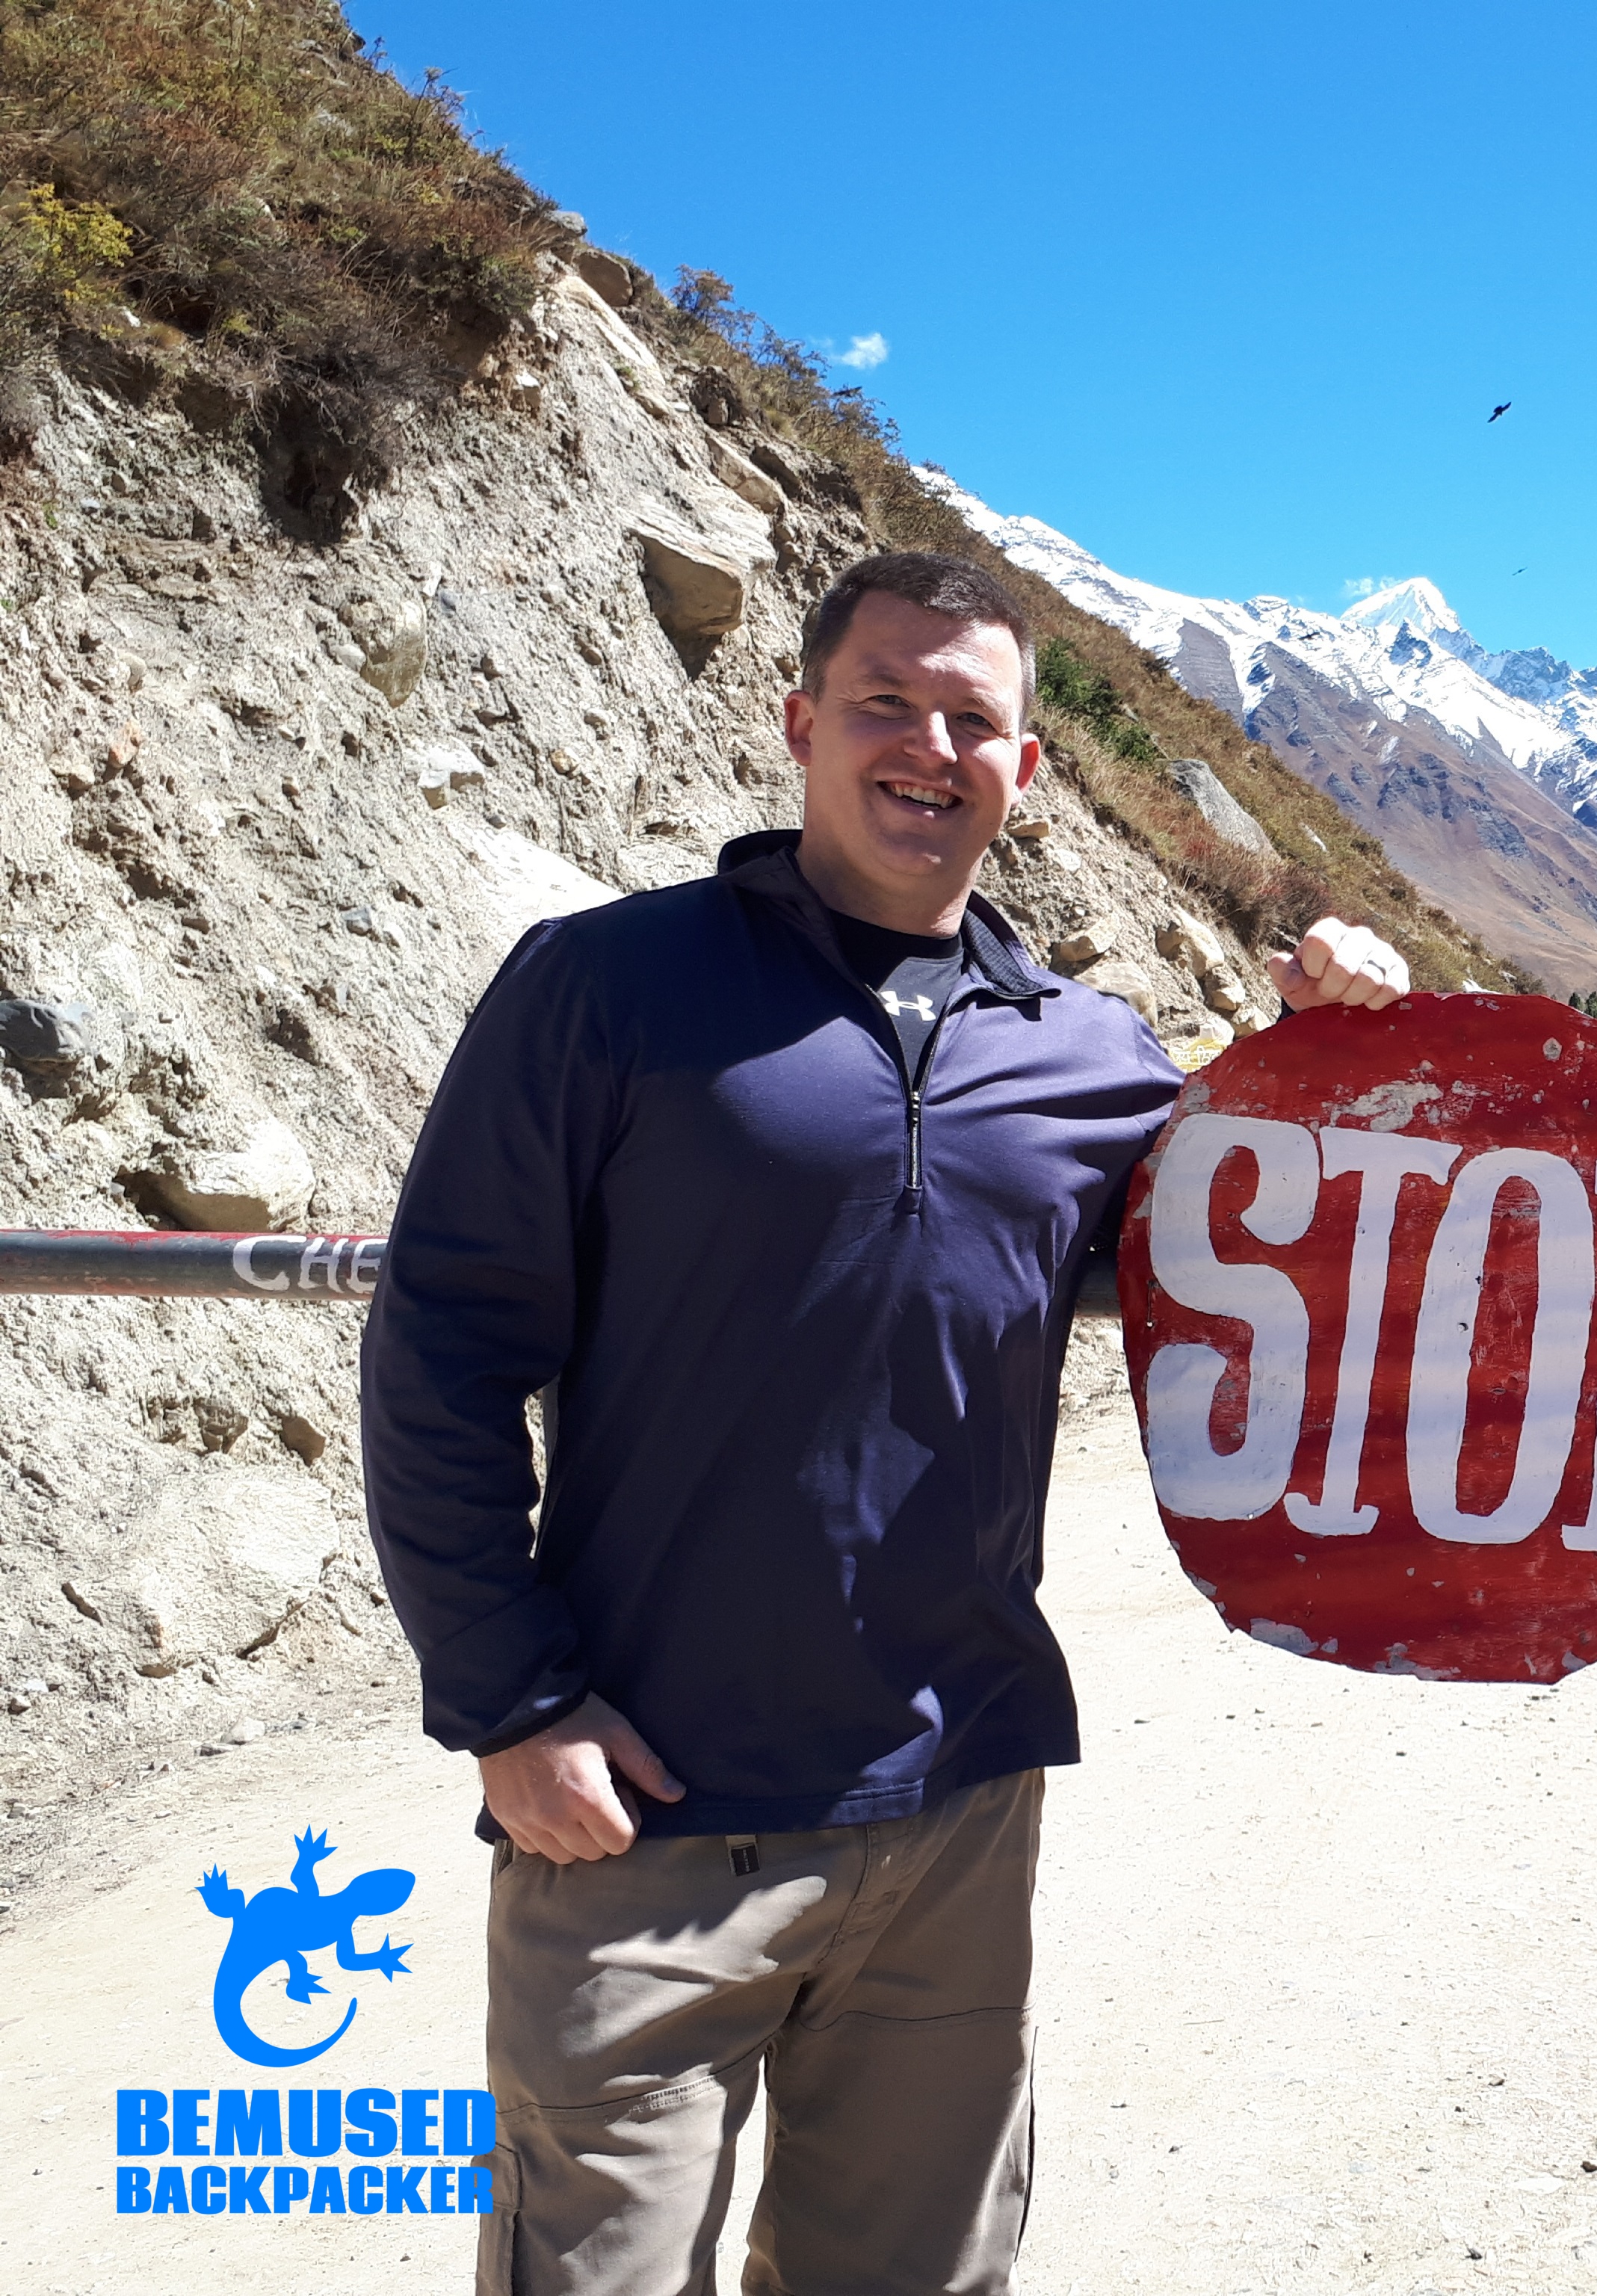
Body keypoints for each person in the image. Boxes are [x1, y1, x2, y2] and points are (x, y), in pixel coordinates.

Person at [359, 551, 1410, 2296]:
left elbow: (1288, 1226)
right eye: (884, 704)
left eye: (974, 719)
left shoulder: (1090, 1056)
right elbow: (442, 1349)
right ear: (798, 723)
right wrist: (508, 1699)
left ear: (1028, 767)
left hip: (953, 1810)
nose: (929, 745)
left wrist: (1332, 1035)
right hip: (638, 1813)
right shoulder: (603, 989)